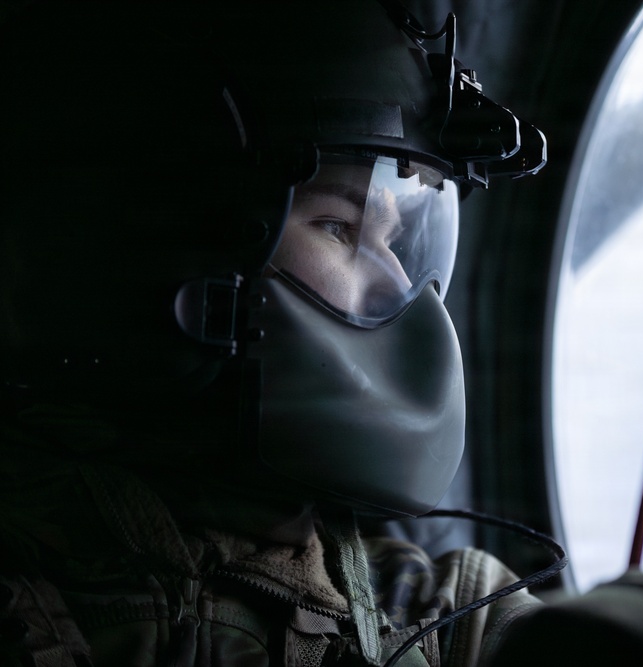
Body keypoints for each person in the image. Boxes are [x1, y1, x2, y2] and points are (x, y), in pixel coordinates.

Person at [0, 1, 546, 665]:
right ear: (162, 247)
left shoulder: (437, 612)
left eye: (397, 239)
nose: (397, 284)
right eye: (339, 228)